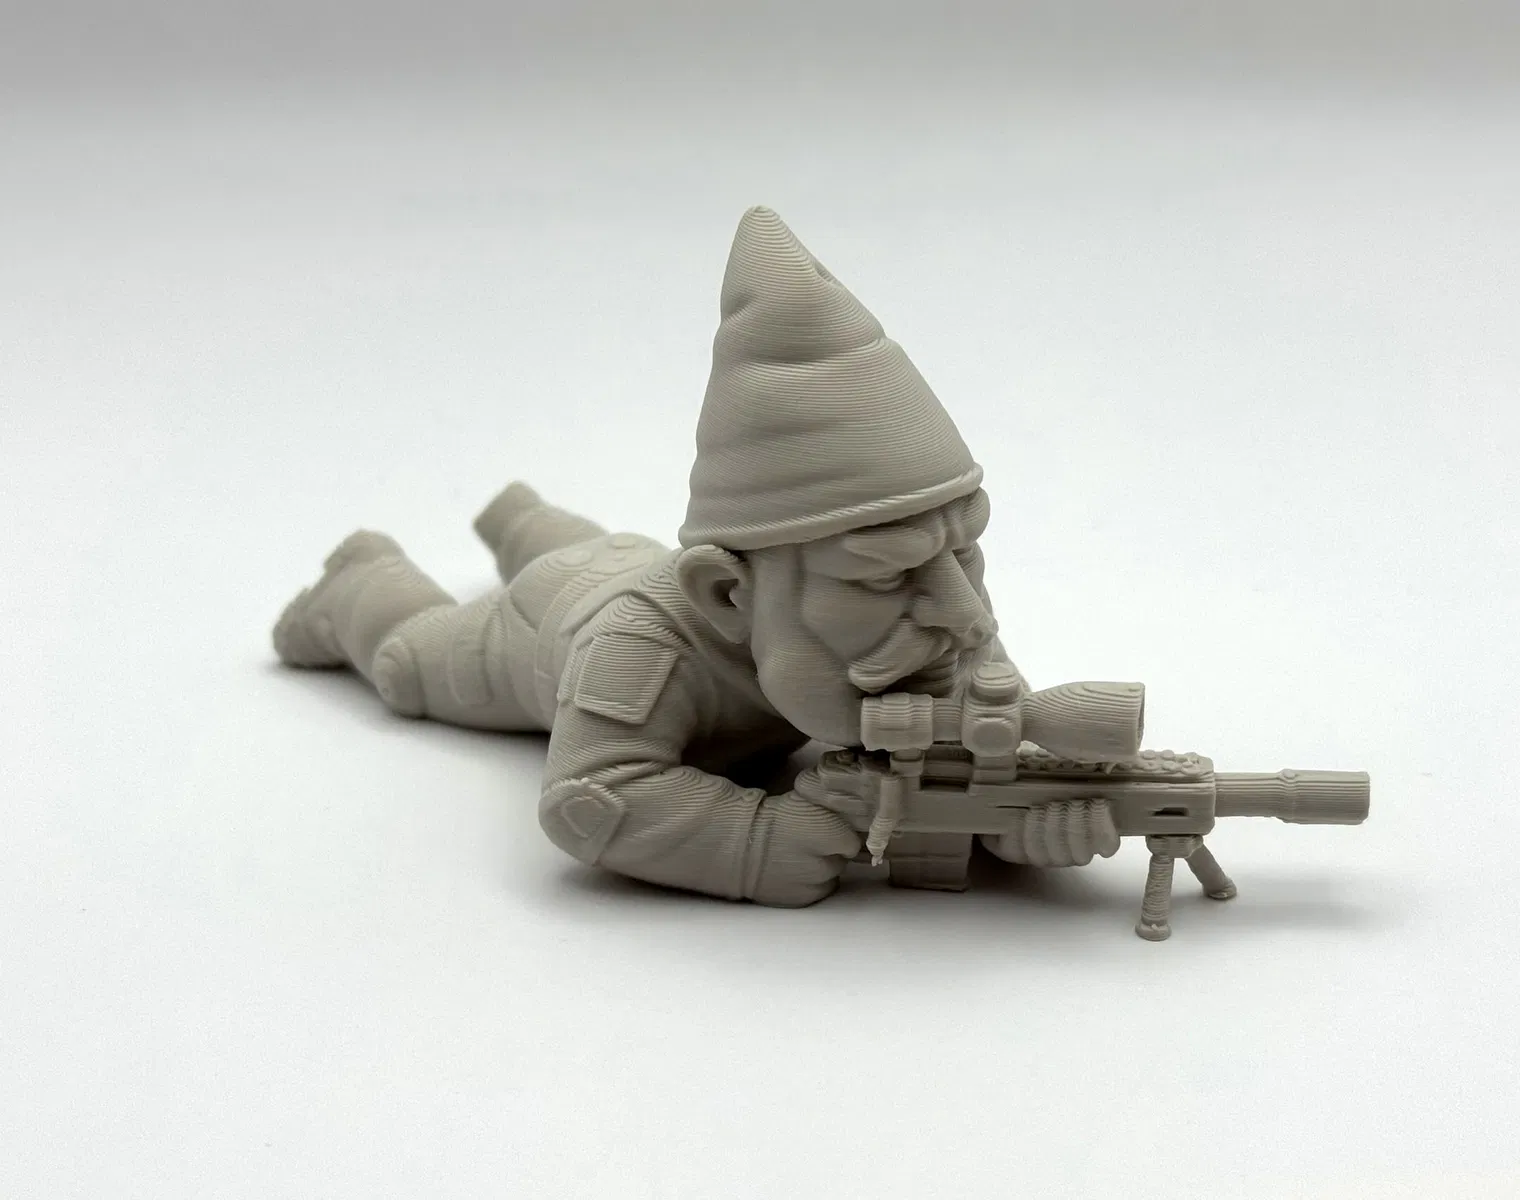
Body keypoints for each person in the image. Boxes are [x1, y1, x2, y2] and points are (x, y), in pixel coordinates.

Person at [272, 206, 1072, 907]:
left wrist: (1025, 811)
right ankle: (363, 580)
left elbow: (998, 727)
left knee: (593, 548)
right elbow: (591, 794)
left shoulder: (935, 621)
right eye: (885, 573)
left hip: (625, 558)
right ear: (727, 593)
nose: (967, 616)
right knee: (408, 664)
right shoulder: (637, 650)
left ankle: (518, 518)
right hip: (553, 617)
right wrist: (755, 840)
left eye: (964, 552)